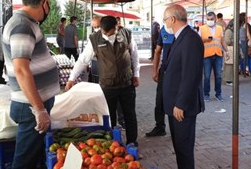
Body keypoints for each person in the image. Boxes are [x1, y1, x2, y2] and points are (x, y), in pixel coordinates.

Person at [1, 0, 60, 169]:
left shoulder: (27, 23)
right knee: (23, 161)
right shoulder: (22, 26)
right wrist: (39, 109)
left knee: (31, 157)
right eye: (49, 4)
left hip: (33, 104)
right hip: (30, 107)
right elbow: (21, 70)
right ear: (44, 3)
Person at [65, 16, 140, 145]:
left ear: (116, 28)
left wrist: (136, 74)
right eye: (103, 32)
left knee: (130, 116)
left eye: (108, 33)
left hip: (126, 83)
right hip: (107, 85)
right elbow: (83, 60)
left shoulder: (126, 34)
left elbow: (134, 54)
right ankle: (112, 144)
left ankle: (132, 143)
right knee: (109, 117)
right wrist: (72, 78)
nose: (105, 35)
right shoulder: (95, 39)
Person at [162, 4, 204, 169]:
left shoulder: (191, 39)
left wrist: (180, 103)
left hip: (182, 107)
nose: (165, 24)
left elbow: (191, 75)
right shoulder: (180, 37)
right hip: (175, 104)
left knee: (185, 148)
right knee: (179, 147)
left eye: (165, 19)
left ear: (173, 19)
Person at [146, 25, 174, 137]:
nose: (165, 22)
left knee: (176, 102)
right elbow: (157, 51)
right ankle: (160, 127)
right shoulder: (163, 30)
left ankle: (177, 129)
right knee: (159, 101)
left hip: (179, 73)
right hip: (165, 71)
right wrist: (155, 71)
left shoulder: (186, 31)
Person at [199, 11, 229, 102]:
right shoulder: (202, 28)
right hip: (207, 56)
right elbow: (198, 41)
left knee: (218, 76)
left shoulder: (220, 28)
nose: (210, 21)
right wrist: (206, 39)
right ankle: (206, 94)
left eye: (211, 19)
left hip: (218, 55)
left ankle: (218, 94)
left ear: (215, 19)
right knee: (207, 76)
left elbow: (222, 41)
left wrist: (226, 51)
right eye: (208, 19)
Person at [88, 15, 101, 83]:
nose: (96, 28)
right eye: (94, 27)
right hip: (95, 65)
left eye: (98, 26)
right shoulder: (92, 37)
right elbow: (85, 56)